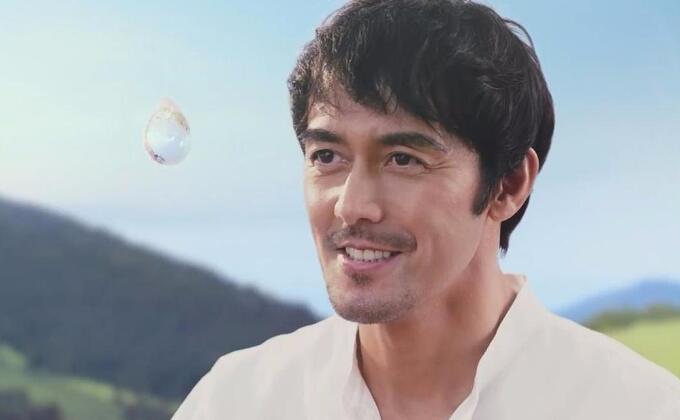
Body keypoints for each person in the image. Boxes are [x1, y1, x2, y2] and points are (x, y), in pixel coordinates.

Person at [171, 1, 680, 419]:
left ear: (508, 184)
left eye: (403, 159)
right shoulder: (236, 402)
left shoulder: (637, 408)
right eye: (326, 156)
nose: (351, 205)